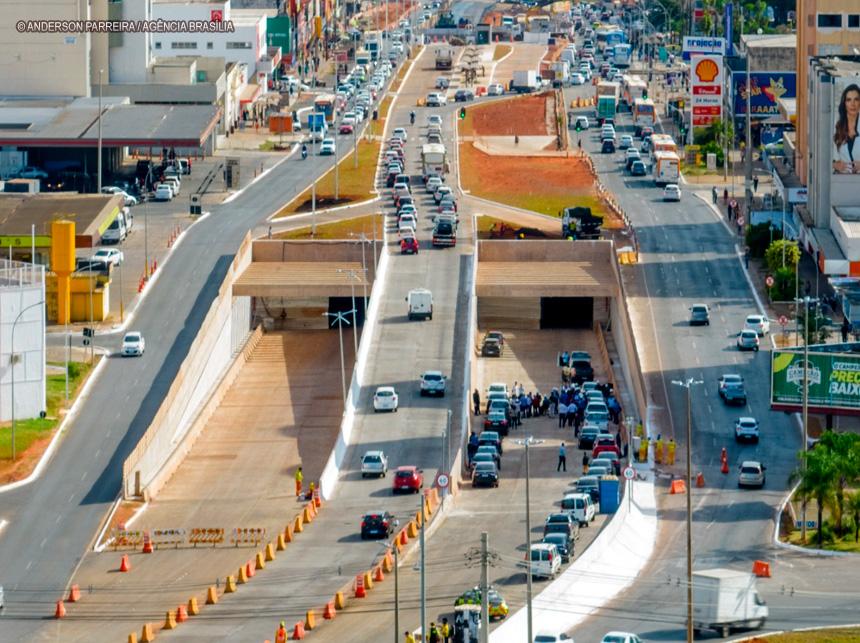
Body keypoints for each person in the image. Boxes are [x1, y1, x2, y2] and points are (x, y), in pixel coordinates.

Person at [833, 83, 860, 174]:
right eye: (849, 100)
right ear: (844, 103)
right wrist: (834, 164)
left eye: (856, 99)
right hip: (841, 181)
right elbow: (823, 152)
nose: (853, 104)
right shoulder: (836, 125)